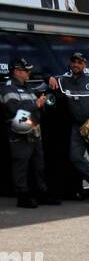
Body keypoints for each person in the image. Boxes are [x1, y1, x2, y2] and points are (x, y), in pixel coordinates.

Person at [48, 51, 89, 201]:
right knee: (75, 157)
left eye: (79, 62)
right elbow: (44, 81)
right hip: (77, 127)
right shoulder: (63, 80)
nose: (76, 65)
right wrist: (49, 77)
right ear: (70, 63)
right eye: (74, 62)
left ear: (85, 64)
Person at [1, 58, 61, 208]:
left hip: (34, 129)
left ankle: (42, 193)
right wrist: (35, 104)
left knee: (38, 164)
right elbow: (13, 110)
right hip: (18, 130)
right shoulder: (8, 88)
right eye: (26, 70)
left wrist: (41, 104)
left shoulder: (27, 87)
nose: (29, 73)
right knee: (21, 165)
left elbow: (35, 106)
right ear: (16, 71)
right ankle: (22, 196)